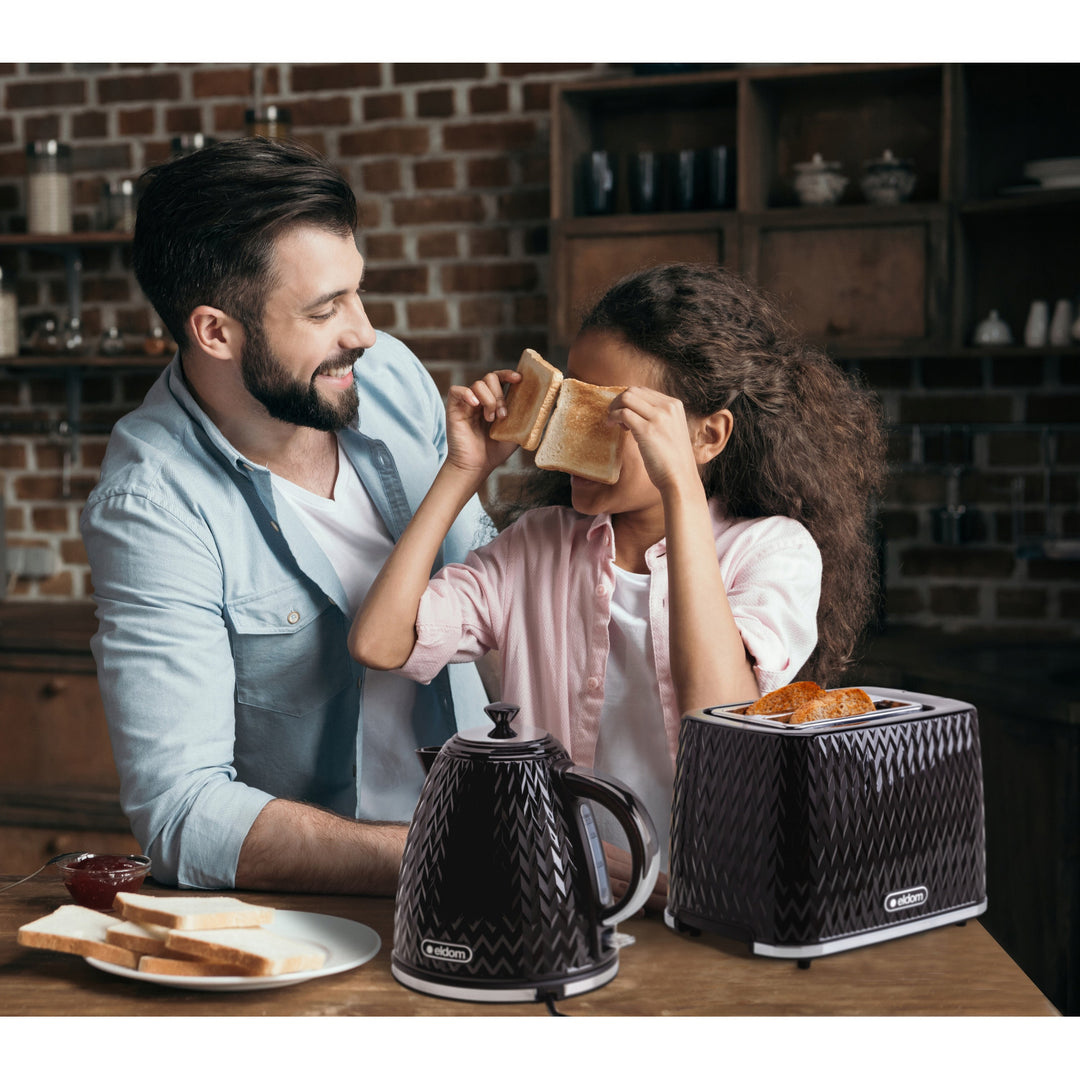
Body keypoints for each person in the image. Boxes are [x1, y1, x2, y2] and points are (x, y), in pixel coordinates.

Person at [349, 262, 887, 903]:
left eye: (615, 413)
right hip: (557, 894)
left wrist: (681, 490)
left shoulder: (771, 549)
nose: (566, 435)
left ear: (708, 435)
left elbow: (720, 718)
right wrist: (462, 470)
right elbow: (379, 643)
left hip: (719, 893)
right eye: (571, 403)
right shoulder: (540, 545)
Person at [80, 138, 495, 893]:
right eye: (324, 309)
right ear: (215, 331)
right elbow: (182, 812)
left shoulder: (391, 377)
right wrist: (446, 857)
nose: (363, 332)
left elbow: (491, 593)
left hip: (510, 832)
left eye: (357, 292)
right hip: (338, 907)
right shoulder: (151, 505)